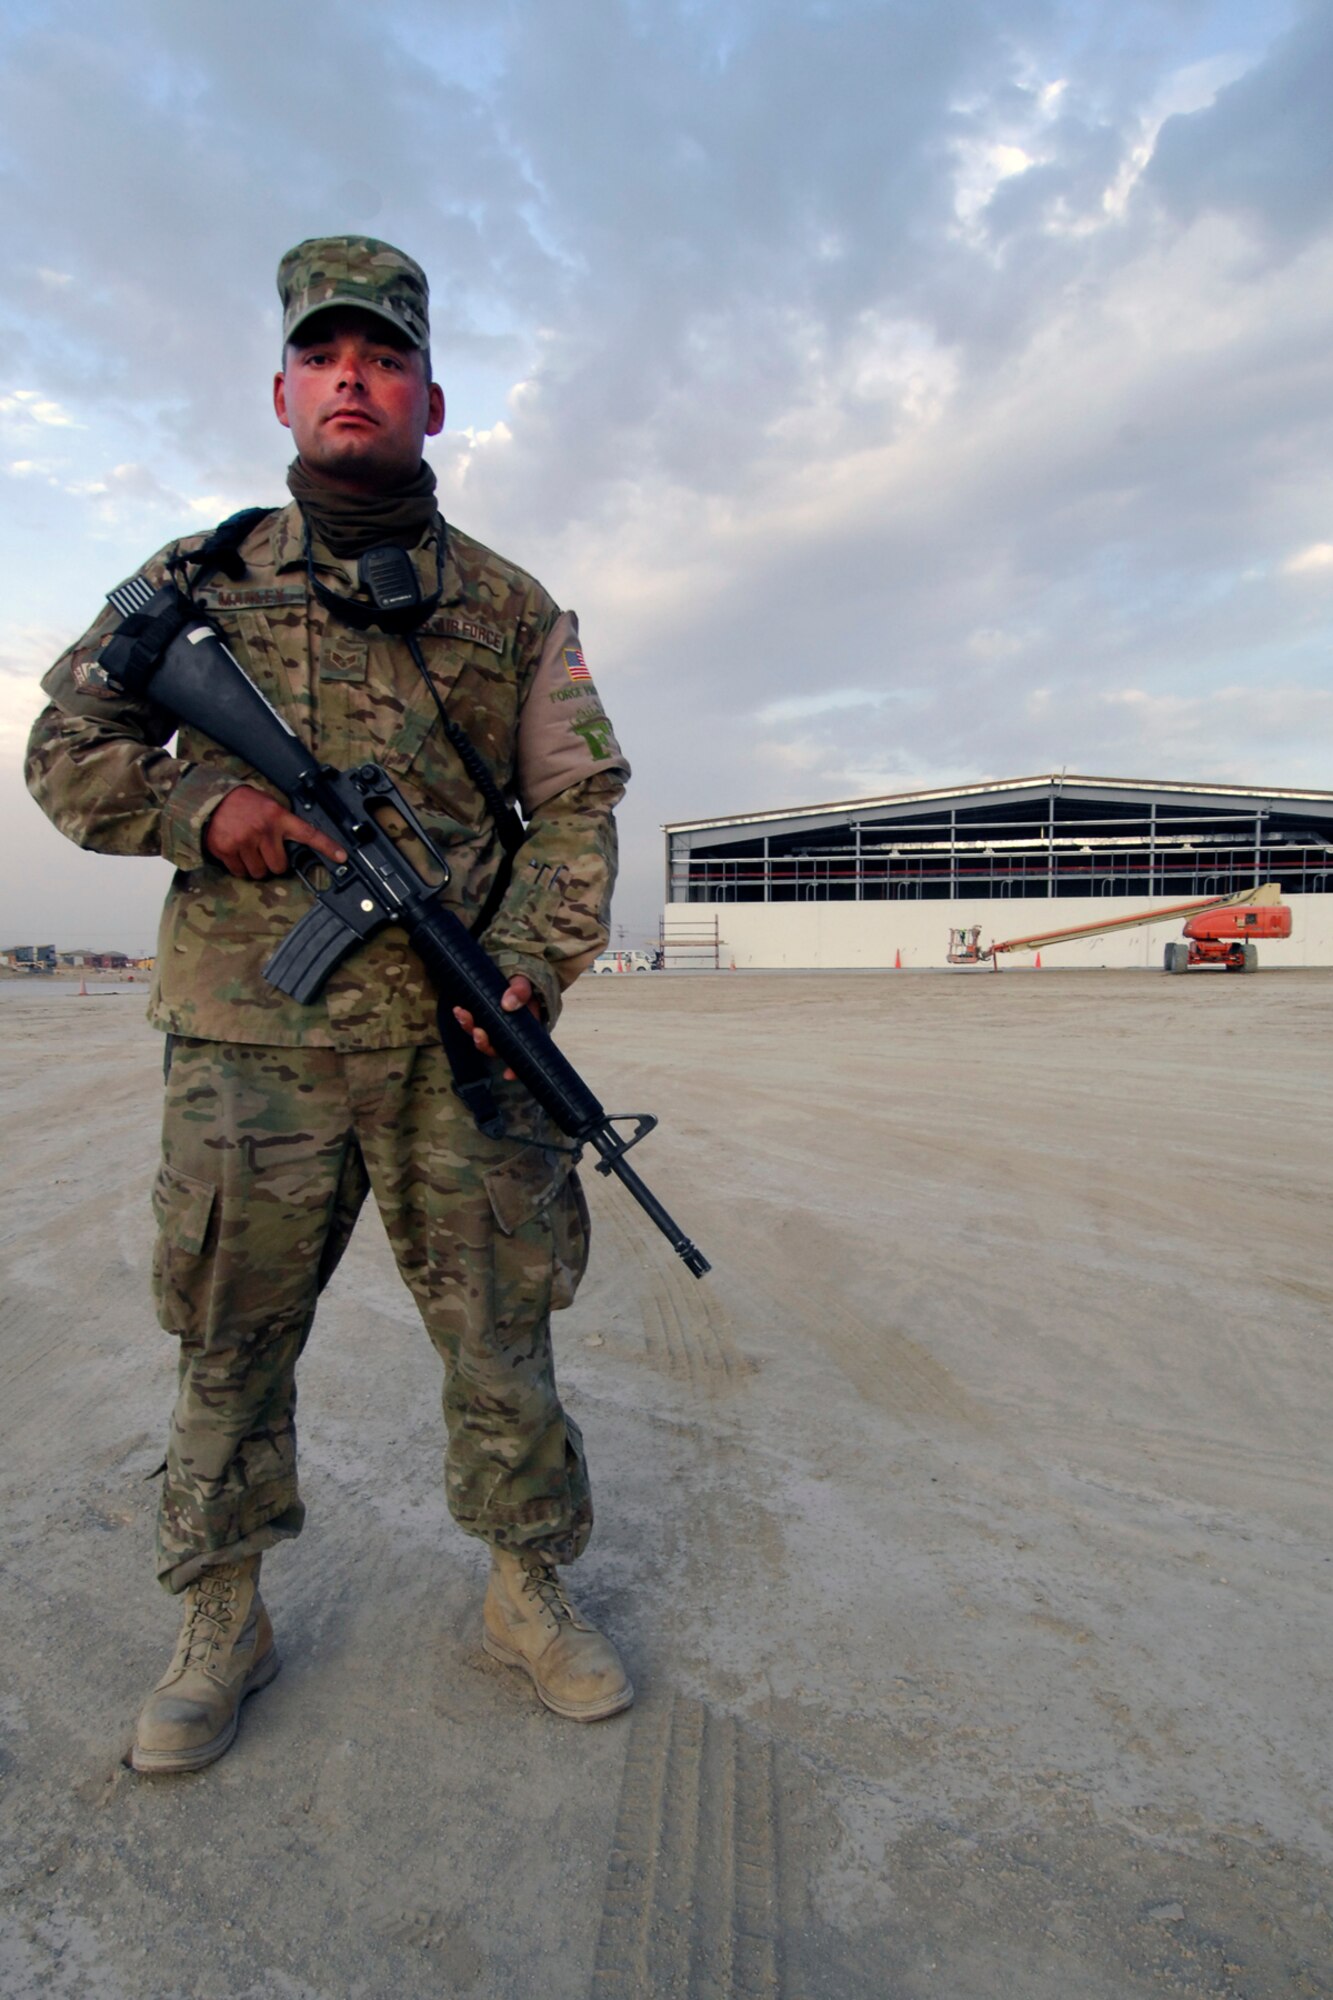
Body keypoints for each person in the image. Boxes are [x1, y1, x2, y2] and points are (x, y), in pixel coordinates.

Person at [26, 236, 634, 1772]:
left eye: (382, 359)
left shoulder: (509, 608)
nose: (350, 377)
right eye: (324, 356)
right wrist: (193, 816)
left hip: (458, 1036)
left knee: (503, 1333)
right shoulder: (191, 586)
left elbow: (576, 804)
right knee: (229, 1335)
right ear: (283, 390)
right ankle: (221, 1616)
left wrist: (530, 964)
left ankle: (523, 1590)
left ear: (432, 400)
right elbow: (64, 751)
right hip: (250, 1043)